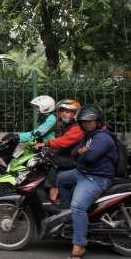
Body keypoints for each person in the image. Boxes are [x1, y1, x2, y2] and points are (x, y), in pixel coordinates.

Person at [57, 105, 117, 259]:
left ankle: (79, 246)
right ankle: (66, 217)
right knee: (61, 179)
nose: (86, 124)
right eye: (84, 122)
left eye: (90, 121)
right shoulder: (89, 135)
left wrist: (81, 154)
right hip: (83, 172)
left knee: (77, 207)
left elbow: (89, 157)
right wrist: (79, 152)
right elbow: (74, 153)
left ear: (97, 121)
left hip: (96, 177)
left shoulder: (102, 137)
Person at [36, 99, 84, 202]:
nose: (63, 114)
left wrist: (46, 144)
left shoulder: (78, 127)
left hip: (74, 159)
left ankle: (53, 197)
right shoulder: (65, 125)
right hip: (66, 155)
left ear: (75, 113)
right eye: (62, 111)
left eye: (67, 112)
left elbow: (64, 141)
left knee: (52, 163)